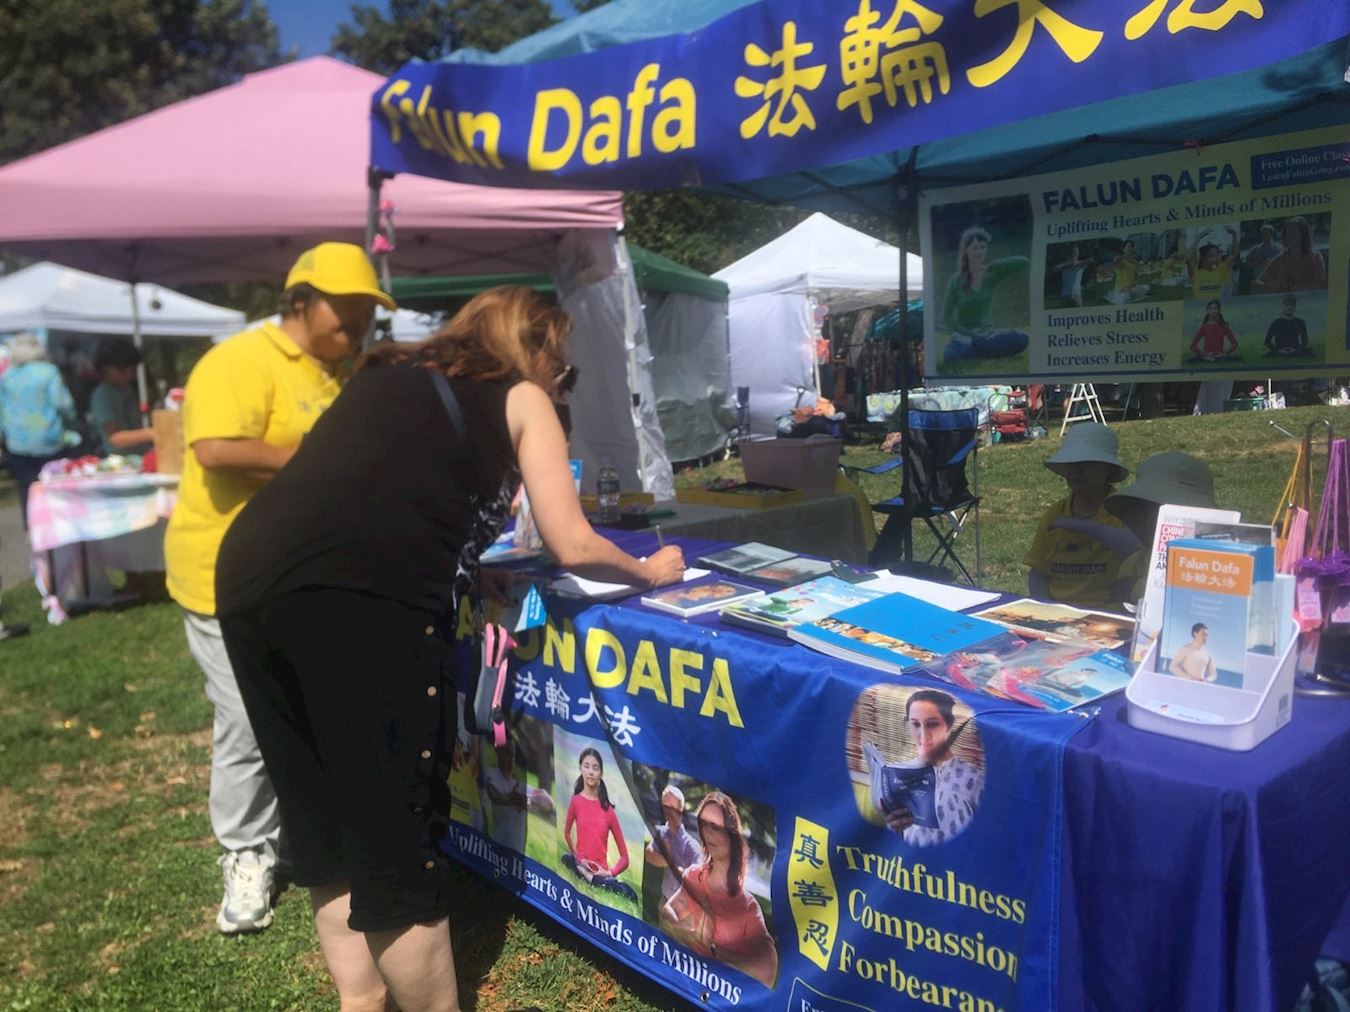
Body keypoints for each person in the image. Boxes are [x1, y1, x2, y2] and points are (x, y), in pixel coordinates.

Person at [215, 286, 683, 1012]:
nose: (561, 383)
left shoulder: (385, 373)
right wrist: (650, 572)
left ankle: (361, 1001)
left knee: (323, 820)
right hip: (360, 600)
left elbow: (359, 491)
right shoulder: (521, 396)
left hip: (248, 578)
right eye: (562, 367)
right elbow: (571, 542)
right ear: (533, 349)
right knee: (395, 840)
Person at [165, 242, 391, 937]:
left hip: (298, 575)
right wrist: (319, 462)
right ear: (299, 303)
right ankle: (245, 851)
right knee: (245, 720)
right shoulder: (239, 359)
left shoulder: (338, 372)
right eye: (344, 309)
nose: (357, 323)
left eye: (366, 311)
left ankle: (299, 834)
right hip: (220, 573)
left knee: (301, 708)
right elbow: (216, 449)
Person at [661, 792, 778, 988]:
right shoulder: (694, 876)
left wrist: (716, 952)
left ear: (732, 835)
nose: (708, 833)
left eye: (716, 827)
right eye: (704, 824)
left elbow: (768, 967)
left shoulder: (747, 906)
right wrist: (691, 933)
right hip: (687, 981)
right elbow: (668, 911)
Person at [1024, 423, 1139, 606]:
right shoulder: (1055, 515)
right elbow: (1038, 573)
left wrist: (1094, 530)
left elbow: (1140, 550)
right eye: (1070, 464)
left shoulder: (1125, 513)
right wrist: (1046, 607)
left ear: (1107, 469)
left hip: (1107, 610)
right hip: (1058, 609)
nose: (1075, 471)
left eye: (1086, 464)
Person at [1106, 452, 1219, 603]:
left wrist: (1137, 588)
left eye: (1156, 510)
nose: (1144, 519)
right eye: (1139, 509)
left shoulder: (1220, 562)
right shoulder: (1133, 564)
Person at [883, 689, 985, 848]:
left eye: (932, 724)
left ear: (949, 725)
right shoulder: (898, 774)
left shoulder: (972, 779)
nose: (923, 734)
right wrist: (894, 826)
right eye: (915, 724)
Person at [0, 334, 77, 528]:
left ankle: (33, 531)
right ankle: (59, 527)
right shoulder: (49, 372)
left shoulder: (8, 376)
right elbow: (64, 405)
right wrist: (72, 425)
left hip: (17, 443)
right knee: (55, 487)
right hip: (50, 439)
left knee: (27, 489)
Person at [941, 226, 1030, 362]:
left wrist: (995, 264)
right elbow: (946, 316)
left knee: (1022, 340)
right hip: (966, 336)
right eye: (974, 248)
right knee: (951, 355)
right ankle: (985, 350)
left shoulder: (991, 274)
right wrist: (968, 333)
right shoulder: (956, 280)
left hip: (988, 334)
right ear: (966, 250)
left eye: (983, 247)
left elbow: (1023, 261)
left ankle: (982, 349)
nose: (979, 251)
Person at [562, 747, 638, 902]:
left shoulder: (608, 811)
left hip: (601, 872)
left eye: (595, 768)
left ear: (601, 773)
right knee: (566, 859)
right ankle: (587, 876)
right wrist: (579, 859)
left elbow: (625, 858)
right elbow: (567, 834)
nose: (590, 772)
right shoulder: (576, 801)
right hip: (580, 863)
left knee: (628, 893)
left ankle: (592, 879)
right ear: (580, 768)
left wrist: (609, 873)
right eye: (587, 766)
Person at [89, 338, 153, 455]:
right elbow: (114, 438)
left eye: (132, 369)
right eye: (122, 369)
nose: (129, 374)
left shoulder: (126, 389)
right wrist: (152, 433)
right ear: (105, 369)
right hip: (121, 460)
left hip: (141, 454)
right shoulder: (103, 396)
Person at [645, 786, 703, 906]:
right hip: (664, 901)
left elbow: (698, 881)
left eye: (670, 806)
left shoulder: (692, 845)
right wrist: (668, 861)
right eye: (664, 804)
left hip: (685, 908)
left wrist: (676, 868)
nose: (666, 810)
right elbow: (649, 854)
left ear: (680, 809)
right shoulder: (662, 832)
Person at [1255, 217, 1327, 293]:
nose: (1290, 236)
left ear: (1303, 234)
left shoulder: (1315, 257)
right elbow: (1258, 284)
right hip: (1284, 299)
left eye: (1294, 232)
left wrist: (1294, 288)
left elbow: (1320, 285)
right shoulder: (1279, 260)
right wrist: (1275, 286)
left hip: (1310, 299)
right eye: (1287, 233)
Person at [482, 741, 527, 853]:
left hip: (518, 853)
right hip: (499, 848)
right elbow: (495, 795)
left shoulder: (519, 785)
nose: (511, 760)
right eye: (507, 754)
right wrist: (511, 799)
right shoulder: (492, 775)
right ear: (498, 752)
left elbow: (548, 803)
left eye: (513, 755)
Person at [1188, 226, 1239, 300]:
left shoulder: (1220, 270)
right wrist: (1198, 238)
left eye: (1215, 256)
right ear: (1203, 258)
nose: (1214, 259)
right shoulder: (1196, 273)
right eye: (1210, 256)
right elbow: (1189, 258)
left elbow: (1234, 254)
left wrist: (1235, 235)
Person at [1106, 239, 1145, 304]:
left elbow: (1136, 276)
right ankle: (1115, 293)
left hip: (1131, 288)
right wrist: (1127, 257)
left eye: (1132, 247)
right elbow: (1116, 260)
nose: (1131, 248)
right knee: (1125, 299)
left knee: (1145, 289)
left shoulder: (1134, 262)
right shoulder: (1120, 260)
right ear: (1123, 249)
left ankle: (1128, 293)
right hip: (1121, 289)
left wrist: (1135, 283)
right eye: (1128, 247)